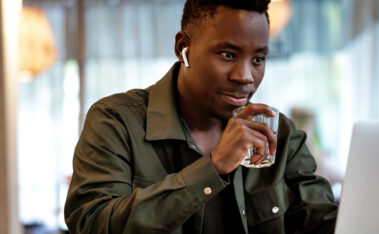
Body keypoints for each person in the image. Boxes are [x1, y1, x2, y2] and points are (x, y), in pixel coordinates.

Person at [64, 0, 338, 233]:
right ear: (184, 48)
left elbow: (323, 221)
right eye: (228, 54)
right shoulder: (116, 122)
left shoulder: (282, 136)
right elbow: (92, 223)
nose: (245, 77)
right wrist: (213, 167)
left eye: (258, 59)